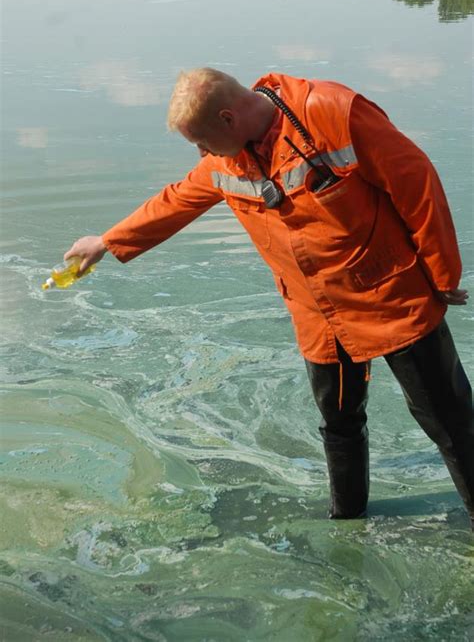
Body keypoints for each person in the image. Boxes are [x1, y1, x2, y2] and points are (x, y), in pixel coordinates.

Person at [65, 68, 473, 527]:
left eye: (200, 141)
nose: (200, 154)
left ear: (227, 118)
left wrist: (442, 273)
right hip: (316, 311)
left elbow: (415, 181)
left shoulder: (334, 113)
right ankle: (348, 520)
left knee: (450, 423)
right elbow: (177, 200)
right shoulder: (226, 159)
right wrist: (107, 242)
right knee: (339, 424)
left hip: (390, 296)